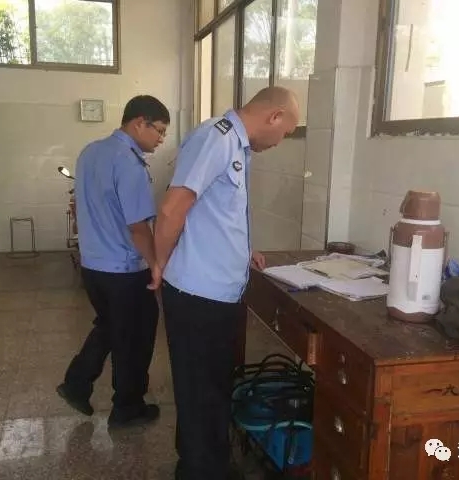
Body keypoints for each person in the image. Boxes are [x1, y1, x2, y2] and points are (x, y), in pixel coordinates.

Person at [152, 87, 300, 479]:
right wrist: (160, 264)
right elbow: (172, 209)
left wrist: (242, 249)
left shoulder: (237, 144)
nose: (281, 141)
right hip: (198, 293)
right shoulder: (215, 138)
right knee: (200, 388)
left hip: (217, 292)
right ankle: (200, 470)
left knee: (212, 384)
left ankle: (207, 461)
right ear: (274, 117)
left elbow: (216, 212)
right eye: (286, 132)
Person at [56, 95, 169, 428]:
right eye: (159, 131)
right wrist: (156, 265)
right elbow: (138, 227)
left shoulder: (90, 152)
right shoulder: (130, 164)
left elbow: (79, 206)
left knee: (111, 325)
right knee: (135, 337)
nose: (161, 139)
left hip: (93, 266)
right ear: (139, 123)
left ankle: (76, 383)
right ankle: (127, 408)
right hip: (124, 270)